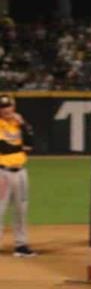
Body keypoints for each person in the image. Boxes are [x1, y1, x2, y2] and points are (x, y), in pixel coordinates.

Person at [0, 94, 36, 257]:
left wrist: (23, 125)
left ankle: (21, 245)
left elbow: (32, 143)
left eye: (8, 106)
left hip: (20, 172)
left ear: (13, 107)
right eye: (2, 107)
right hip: (3, 173)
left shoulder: (19, 123)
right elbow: (5, 147)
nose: (6, 109)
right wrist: (20, 148)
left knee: (21, 209)